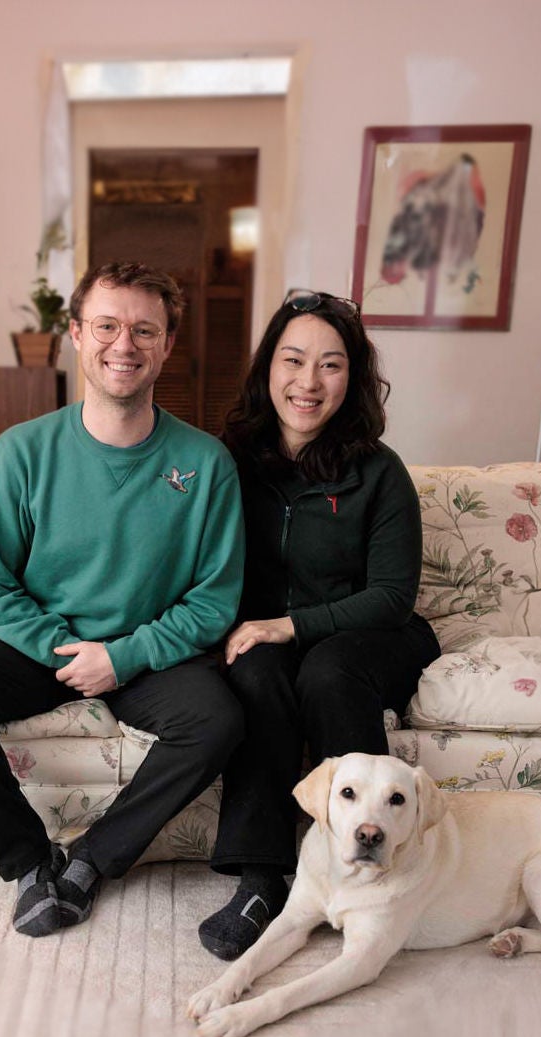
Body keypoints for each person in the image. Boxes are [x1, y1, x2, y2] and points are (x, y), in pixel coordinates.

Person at [0, 262, 245, 937]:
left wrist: (121, 658)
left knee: (219, 722)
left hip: (149, 654)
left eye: (145, 330)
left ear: (167, 345)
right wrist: (69, 653)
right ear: (77, 336)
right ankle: (31, 862)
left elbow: (214, 601)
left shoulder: (207, 464)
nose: (126, 345)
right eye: (108, 326)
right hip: (43, 644)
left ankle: (91, 860)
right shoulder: (23, 452)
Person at [199, 289, 440, 960]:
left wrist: (288, 625)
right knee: (255, 672)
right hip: (266, 639)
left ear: (353, 378)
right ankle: (261, 879)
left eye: (330, 365)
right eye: (293, 360)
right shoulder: (229, 461)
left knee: (327, 671)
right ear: (267, 369)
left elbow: (392, 595)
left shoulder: (378, 472)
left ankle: (369, 868)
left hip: (371, 636)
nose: (308, 382)